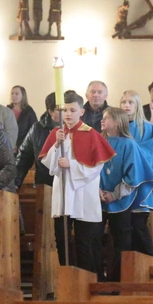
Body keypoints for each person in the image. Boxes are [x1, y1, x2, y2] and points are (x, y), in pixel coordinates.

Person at [39, 90, 115, 274]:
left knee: (85, 242)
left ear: (81, 111)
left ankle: (88, 282)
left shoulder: (91, 134)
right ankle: (67, 280)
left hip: (83, 193)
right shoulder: (57, 134)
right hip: (63, 193)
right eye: (64, 110)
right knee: (62, 240)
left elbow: (96, 167)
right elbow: (48, 164)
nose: (68, 114)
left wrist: (71, 165)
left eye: (72, 110)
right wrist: (57, 145)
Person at [99, 107, 153, 279]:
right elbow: (92, 169)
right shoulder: (98, 141)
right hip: (99, 199)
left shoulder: (129, 144)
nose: (102, 121)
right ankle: (101, 280)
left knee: (122, 242)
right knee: (98, 240)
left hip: (121, 200)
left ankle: (120, 280)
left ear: (118, 122)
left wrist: (115, 194)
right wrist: (97, 190)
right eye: (102, 118)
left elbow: (133, 175)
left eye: (107, 118)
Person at [120, 90, 153, 259]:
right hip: (120, 184)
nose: (126, 105)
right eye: (123, 102)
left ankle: (152, 258)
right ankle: (135, 266)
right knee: (125, 229)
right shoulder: (117, 127)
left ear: (137, 105)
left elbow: (149, 155)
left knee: (138, 225)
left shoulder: (146, 128)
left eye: (130, 102)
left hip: (141, 183)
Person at [16, 92, 58, 188]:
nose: (66, 113)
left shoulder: (76, 128)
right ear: (50, 112)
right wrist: (16, 181)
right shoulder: (37, 129)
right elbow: (24, 156)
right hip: (45, 183)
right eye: (61, 109)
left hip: (71, 184)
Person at [8, 85, 37, 152]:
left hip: (23, 148)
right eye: (12, 93)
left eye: (17, 94)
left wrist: (18, 145)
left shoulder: (28, 111)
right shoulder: (7, 110)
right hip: (8, 147)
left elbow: (33, 131)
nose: (13, 96)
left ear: (23, 96)